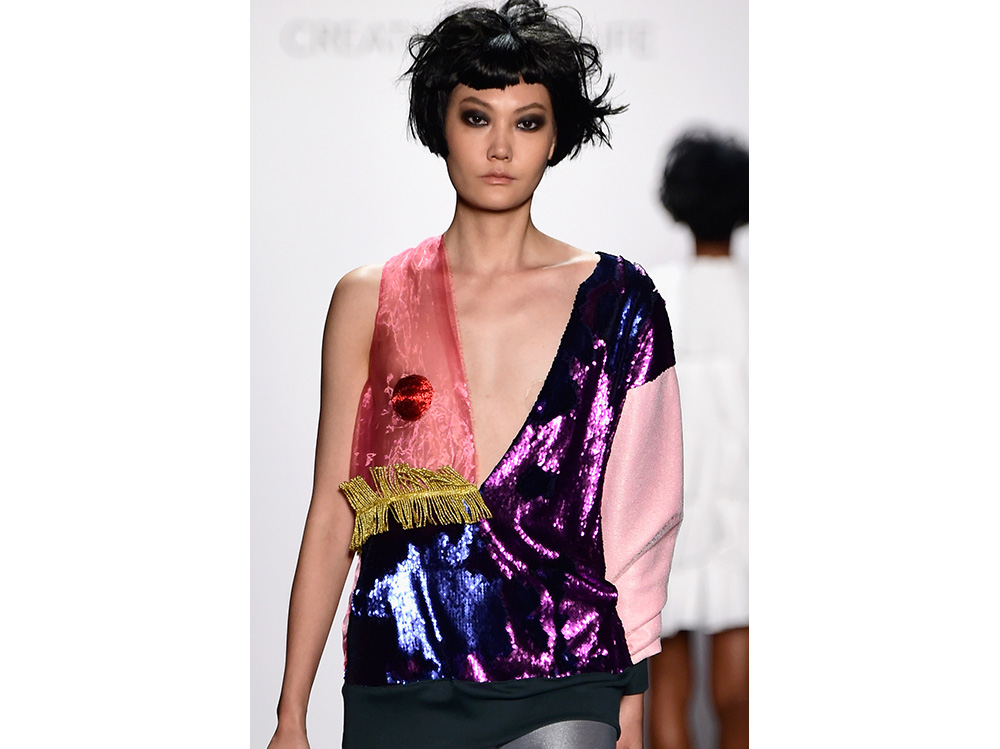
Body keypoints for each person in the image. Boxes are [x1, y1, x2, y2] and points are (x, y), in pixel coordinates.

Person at [266, 2, 683, 747]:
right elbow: (334, 508)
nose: (500, 147)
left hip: (566, 669)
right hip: (399, 672)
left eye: (528, 121)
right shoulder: (371, 299)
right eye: (476, 116)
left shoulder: (621, 301)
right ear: (441, 124)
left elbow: (640, 518)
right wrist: (290, 713)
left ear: (556, 137)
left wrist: (632, 696)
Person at [645, 130, 749, 749]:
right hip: (745, 509)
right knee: (741, 696)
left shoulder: (653, 294)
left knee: (668, 687)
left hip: (670, 508)